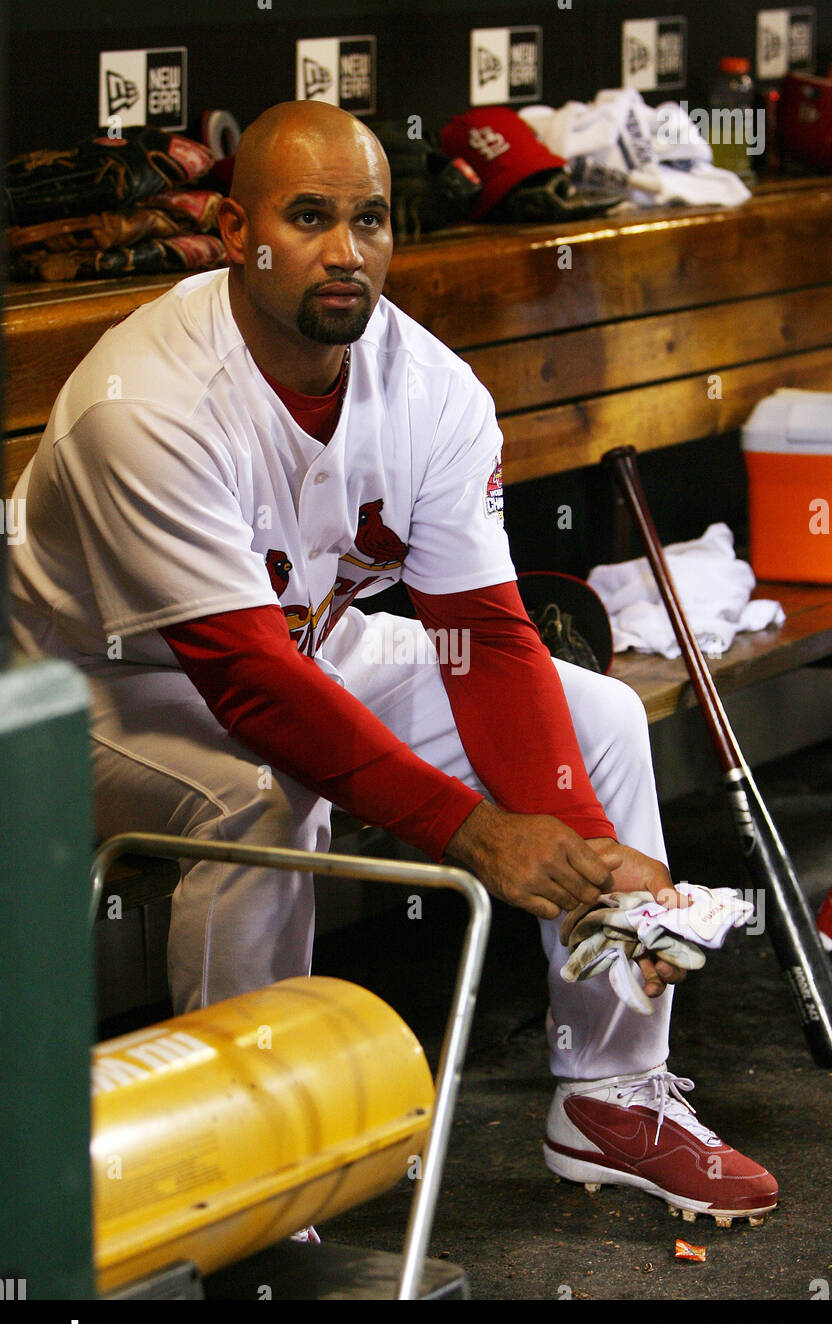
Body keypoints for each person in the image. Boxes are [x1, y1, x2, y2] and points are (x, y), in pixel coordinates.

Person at [9, 101, 776, 1226]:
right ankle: (240, 1152)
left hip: (304, 642)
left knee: (601, 719)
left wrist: (578, 840)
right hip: (80, 691)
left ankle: (610, 1090)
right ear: (234, 231)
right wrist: (476, 831)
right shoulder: (151, 402)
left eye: (368, 219)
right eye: (307, 216)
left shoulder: (428, 387)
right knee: (258, 797)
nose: (344, 250)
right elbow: (247, 688)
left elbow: (487, 636)